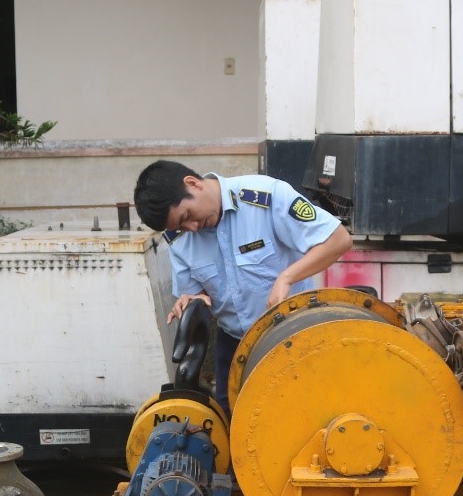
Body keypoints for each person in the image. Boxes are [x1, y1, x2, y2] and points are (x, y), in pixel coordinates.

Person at [134, 160, 353, 413]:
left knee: (301, 413)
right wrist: (192, 301)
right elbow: (198, 293)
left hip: (294, 334)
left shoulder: (266, 198)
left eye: (187, 217)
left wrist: (287, 277)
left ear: (192, 184)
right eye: (181, 226)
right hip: (236, 342)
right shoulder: (180, 239)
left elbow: (338, 240)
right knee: (237, 418)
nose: (191, 227)